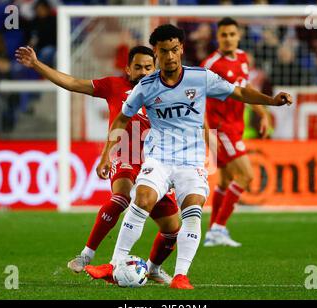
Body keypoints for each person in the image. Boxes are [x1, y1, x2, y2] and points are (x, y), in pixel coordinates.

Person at [87, 24, 292, 289]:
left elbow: (238, 92)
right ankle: (115, 265)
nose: (170, 56)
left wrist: (271, 101)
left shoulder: (201, 77)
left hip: (191, 161)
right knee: (142, 198)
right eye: (164, 51)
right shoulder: (146, 86)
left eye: (174, 50)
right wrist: (106, 155)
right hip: (159, 158)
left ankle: (181, 275)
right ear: (156, 53)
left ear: (181, 49)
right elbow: (121, 119)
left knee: (192, 210)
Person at [15, 45, 180, 285]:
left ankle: (154, 269)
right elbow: (72, 83)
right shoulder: (114, 86)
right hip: (125, 156)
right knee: (121, 197)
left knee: (172, 229)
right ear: (127, 68)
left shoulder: (165, 92)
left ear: (155, 68)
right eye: (138, 67)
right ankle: (86, 255)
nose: (143, 72)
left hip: (156, 164)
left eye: (148, 67)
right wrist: (37, 65)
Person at [200, 17, 271, 247]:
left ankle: (213, 231)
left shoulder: (242, 57)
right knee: (246, 176)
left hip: (236, 127)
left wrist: (262, 113)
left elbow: (245, 89)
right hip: (221, 129)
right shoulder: (211, 65)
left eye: (232, 34)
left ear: (238, 35)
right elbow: (196, 98)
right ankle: (219, 228)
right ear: (217, 37)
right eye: (224, 35)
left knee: (226, 181)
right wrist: (207, 133)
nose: (228, 38)